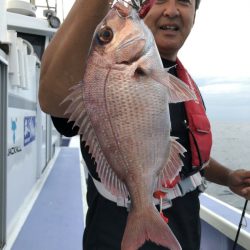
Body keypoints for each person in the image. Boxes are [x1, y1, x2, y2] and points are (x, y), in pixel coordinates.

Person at [39, 0, 250, 249]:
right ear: (143, 8)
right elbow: (53, 98)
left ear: (195, 15)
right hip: (114, 235)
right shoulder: (96, 72)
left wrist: (227, 177)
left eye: (184, 1)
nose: (172, 10)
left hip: (185, 234)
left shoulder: (184, 83)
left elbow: (187, 155)